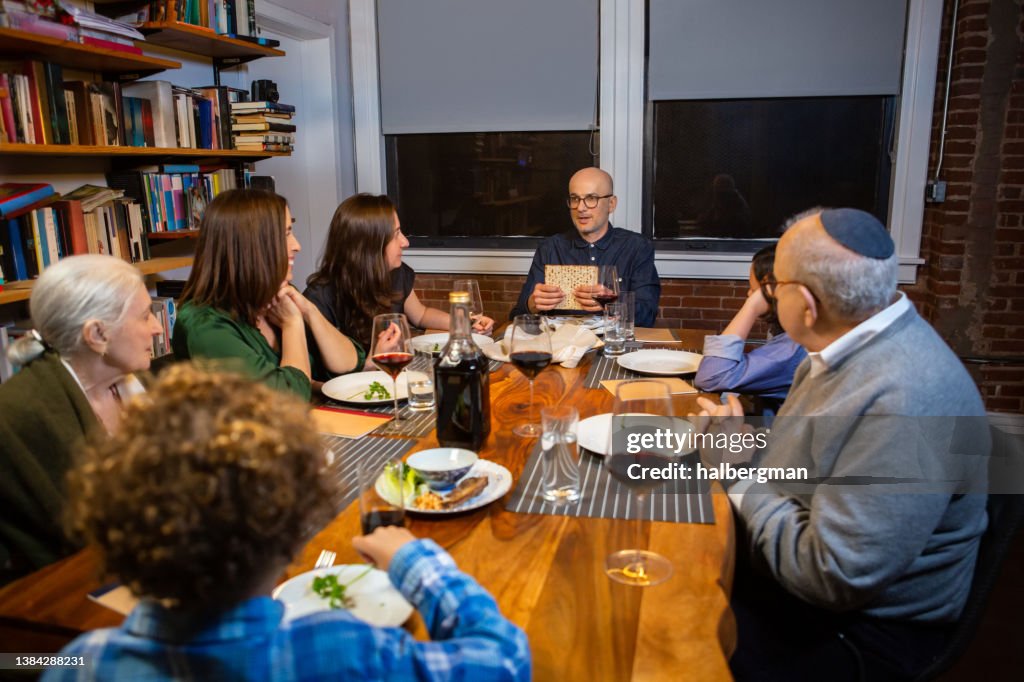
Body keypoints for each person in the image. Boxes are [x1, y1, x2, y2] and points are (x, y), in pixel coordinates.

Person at [44, 364, 531, 681]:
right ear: (292, 531)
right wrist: (414, 559)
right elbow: (506, 660)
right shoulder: (340, 652)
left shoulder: (79, 663)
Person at [695, 208, 989, 681]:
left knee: (651, 640)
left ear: (806, 305)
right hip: (793, 579)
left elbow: (831, 576)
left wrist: (737, 471)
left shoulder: (908, 395)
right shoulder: (838, 345)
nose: (765, 296)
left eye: (773, 287)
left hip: (857, 632)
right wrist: (749, 448)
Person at [0, 255, 162, 583]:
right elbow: (75, 538)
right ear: (97, 334)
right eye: (145, 316)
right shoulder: (21, 416)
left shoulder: (137, 385)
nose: (158, 327)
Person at [172, 189, 362, 399]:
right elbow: (287, 402)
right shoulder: (204, 325)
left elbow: (348, 366)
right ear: (251, 245)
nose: (297, 246)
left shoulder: (276, 296)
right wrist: (292, 325)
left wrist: (310, 312)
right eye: (286, 234)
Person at [304, 193, 494, 353]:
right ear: (369, 245)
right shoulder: (319, 298)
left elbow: (420, 315)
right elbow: (311, 379)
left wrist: (465, 323)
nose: (405, 242)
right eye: (395, 234)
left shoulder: (395, 272)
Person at [510, 167, 661, 326]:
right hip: (563, 346)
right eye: (575, 198)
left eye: (591, 198)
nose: (581, 208)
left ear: (611, 204)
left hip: (614, 344)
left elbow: (648, 315)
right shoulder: (549, 249)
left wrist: (612, 303)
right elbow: (516, 316)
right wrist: (532, 304)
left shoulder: (636, 247)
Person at [694, 243, 806, 413]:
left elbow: (711, 376)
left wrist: (752, 305)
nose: (748, 294)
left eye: (753, 289)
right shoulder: (786, 331)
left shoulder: (796, 347)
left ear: (771, 289)